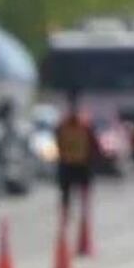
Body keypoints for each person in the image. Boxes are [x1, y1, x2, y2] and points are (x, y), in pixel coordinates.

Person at [54, 90, 101, 221]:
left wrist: (94, 159)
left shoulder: (84, 124)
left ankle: (83, 216)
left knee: (83, 194)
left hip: (81, 164)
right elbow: (57, 142)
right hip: (68, 163)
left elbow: (94, 144)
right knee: (66, 195)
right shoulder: (63, 125)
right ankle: (66, 215)